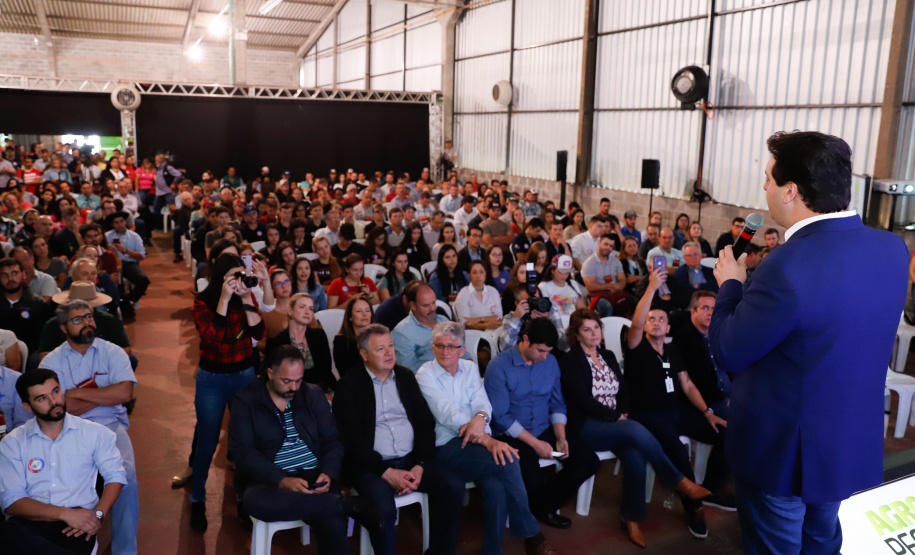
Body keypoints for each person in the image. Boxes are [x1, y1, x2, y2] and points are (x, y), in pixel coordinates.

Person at [709, 131, 909, 554]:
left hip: (784, 451)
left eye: (767, 178)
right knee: (822, 542)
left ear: (791, 191)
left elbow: (728, 348)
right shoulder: (891, 249)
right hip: (847, 439)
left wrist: (730, 286)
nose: (763, 187)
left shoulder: (787, 265)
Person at [560, 309, 711, 547]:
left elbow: (623, 389)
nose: (593, 334)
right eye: (586, 330)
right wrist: (617, 417)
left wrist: (624, 412)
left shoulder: (608, 355)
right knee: (634, 429)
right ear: (576, 334)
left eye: (596, 328)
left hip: (617, 423)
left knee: (636, 459)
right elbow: (582, 401)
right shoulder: (571, 360)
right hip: (588, 426)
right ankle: (677, 479)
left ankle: (631, 517)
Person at [416, 322, 559, 555]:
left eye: (452, 347)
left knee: (497, 486)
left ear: (463, 349)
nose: (445, 352)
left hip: (477, 442)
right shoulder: (425, 374)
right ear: (433, 347)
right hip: (448, 445)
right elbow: (447, 413)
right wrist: (488, 440)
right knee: (510, 460)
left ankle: (492, 549)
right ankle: (532, 536)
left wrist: (481, 417)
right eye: (440, 346)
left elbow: (482, 403)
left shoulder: (470, 368)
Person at [228, 346, 381, 555]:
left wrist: (328, 472)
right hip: (270, 479)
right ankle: (348, 506)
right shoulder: (246, 401)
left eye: (298, 380)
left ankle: (334, 504)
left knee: (332, 520)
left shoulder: (312, 394)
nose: (293, 387)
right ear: (270, 373)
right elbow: (243, 454)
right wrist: (282, 479)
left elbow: (332, 441)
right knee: (255, 501)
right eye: (286, 381)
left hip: (314, 475)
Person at [333, 324, 466, 555]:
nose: (389, 353)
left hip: (410, 460)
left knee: (453, 485)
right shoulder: (349, 385)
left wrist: (420, 464)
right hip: (371, 467)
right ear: (364, 355)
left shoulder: (405, 377)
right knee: (384, 509)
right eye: (380, 348)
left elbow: (425, 424)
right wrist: (386, 472)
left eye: (391, 346)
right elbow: (350, 440)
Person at [625, 267, 732, 539]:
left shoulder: (672, 351)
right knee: (677, 449)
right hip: (648, 415)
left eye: (662, 318)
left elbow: (686, 383)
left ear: (669, 327)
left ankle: (711, 490)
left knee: (725, 431)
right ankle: (693, 507)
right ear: (645, 325)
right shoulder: (637, 348)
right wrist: (651, 288)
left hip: (677, 411)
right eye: (651, 319)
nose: (656, 322)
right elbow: (635, 325)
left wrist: (706, 411)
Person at [40, 300, 139, 555]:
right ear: (63, 327)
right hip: (67, 429)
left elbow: (125, 393)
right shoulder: (52, 361)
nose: (87, 323)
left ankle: (125, 550)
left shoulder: (113, 352)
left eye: (89, 317)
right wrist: (103, 395)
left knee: (126, 478)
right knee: (56, 480)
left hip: (110, 426)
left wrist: (76, 394)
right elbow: (57, 409)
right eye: (78, 319)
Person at [484, 318, 600, 529]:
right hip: (512, 435)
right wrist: (535, 444)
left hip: (544, 427)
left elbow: (557, 403)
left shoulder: (551, 362)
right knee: (533, 481)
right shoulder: (499, 366)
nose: (544, 357)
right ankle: (540, 506)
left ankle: (537, 506)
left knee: (589, 462)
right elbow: (501, 417)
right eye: (540, 351)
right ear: (526, 339)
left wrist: (560, 437)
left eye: (548, 351)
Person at [0, 369, 126, 555]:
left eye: (56, 391)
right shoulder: (12, 443)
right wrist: (64, 513)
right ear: (27, 406)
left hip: (77, 527)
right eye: (41, 398)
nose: (54, 402)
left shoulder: (95, 433)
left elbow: (115, 476)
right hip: (29, 523)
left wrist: (98, 515)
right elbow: (12, 501)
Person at [189, 253, 264, 532]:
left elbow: (259, 332)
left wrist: (245, 299)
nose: (239, 280)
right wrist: (223, 299)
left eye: (241, 275)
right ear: (221, 278)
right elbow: (212, 337)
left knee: (244, 441)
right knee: (207, 441)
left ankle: (245, 498)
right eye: (234, 276)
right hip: (212, 378)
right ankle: (198, 498)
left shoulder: (246, 297)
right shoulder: (202, 302)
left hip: (243, 374)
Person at [265, 293, 336, 392]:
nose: (307, 312)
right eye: (302, 307)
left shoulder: (319, 335)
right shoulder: (277, 342)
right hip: (290, 392)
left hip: (320, 389)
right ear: (290, 310)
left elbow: (325, 370)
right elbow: (275, 377)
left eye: (311, 309)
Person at [0, 257, 53, 368]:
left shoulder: (38, 304)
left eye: (14, 273)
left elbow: (45, 336)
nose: (10, 278)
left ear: (24, 274)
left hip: (31, 354)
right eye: (4, 275)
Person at [392, 283, 450, 372]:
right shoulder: (402, 333)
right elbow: (408, 372)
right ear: (413, 305)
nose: (432, 308)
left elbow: (460, 349)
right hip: (428, 380)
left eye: (434, 302)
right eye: (426, 305)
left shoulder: (443, 320)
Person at [538, 255, 587, 350]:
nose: (563, 276)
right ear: (552, 270)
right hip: (556, 328)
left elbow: (582, 310)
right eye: (560, 272)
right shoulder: (544, 286)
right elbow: (545, 314)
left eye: (566, 273)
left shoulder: (572, 284)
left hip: (574, 326)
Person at [105, 211, 149, 312]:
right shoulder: (107, 236)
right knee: (114, 284)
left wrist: (125, 250)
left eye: (121, 221)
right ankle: (119, 306)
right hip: (112, 264)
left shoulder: (134, 236)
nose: (120, 224)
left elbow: (141, 256)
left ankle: (129, 300)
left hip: (128, 263)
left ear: (125, 222)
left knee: (143, 280)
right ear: (113, 224)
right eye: (116, 222)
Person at [580, 234, 626, 318]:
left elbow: (623, 281)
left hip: (615, 292)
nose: (608, 248)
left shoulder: (616, 261)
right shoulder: (589, 263)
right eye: (606, 244)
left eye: (611, 246)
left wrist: (616, 288)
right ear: (599, 243)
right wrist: (612, 286)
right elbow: (591, 287)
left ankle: (624, 330)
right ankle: (603, 330)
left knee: (633, 302)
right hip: (597, 295)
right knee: (606, 307)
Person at [332, 296, 375, 378]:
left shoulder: (378, 337)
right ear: (350, 317)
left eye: (367, 310)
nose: (364, 314)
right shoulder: (341, 341)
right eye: (358, 311)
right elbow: (344, 373)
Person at [454, 260, 502, 331]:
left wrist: (477, 319)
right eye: (474, 272)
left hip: (494, 332)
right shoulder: (464, 293)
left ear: (485, 273)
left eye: (481, 272)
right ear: (469, 275)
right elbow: (465, 323)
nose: (478, 276)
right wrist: (487, 325)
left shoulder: (493, 291)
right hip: (473, 334)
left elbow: (498, 317)